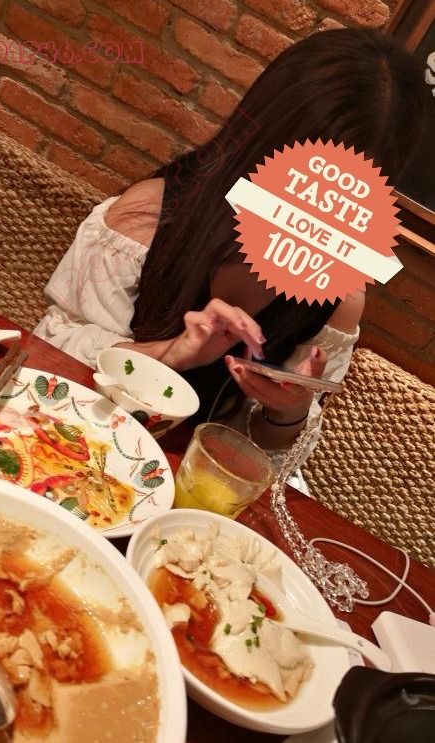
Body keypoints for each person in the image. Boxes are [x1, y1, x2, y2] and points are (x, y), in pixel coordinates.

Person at [34, 28, 427, 463]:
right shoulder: (152, 217)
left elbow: (268, 455)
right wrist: (167, 355)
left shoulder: (338, 297)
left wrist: (288, 412)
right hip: (73, 440)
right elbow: (52, 353)